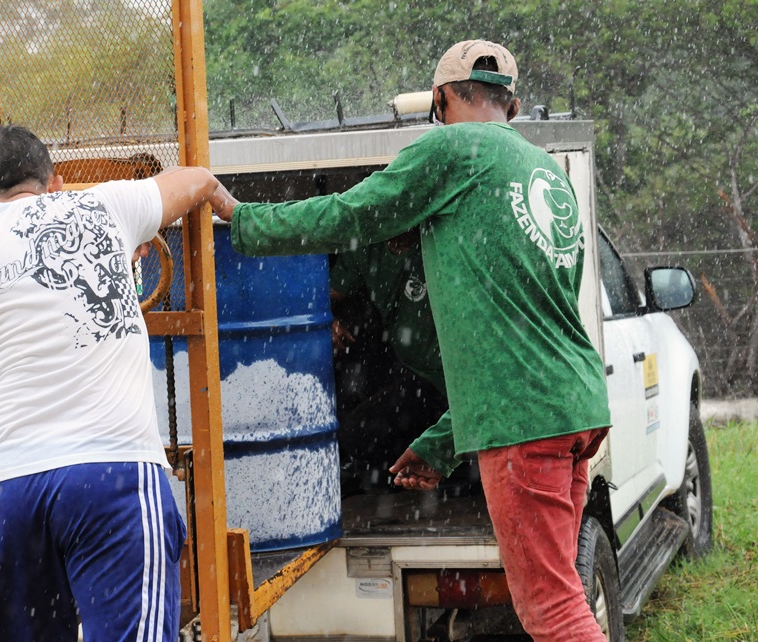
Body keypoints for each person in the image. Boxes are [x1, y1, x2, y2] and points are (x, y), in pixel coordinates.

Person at [212, 40, 611, 642]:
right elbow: (523, 336)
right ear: (514, 103)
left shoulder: (450, 148)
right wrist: (442, 445)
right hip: (574, 406)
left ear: (443, 99)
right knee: (563, 597)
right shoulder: (544, 174)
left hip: (525, 425)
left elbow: (347, 217)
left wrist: (239, 217)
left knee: (552, 611)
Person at [0, 124, 233, 641]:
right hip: (113, 477)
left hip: (13, 490)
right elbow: (196, 180)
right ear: (57, 183)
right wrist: (226, 205)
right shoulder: (106, 208)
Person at [328, 238, 450, 494]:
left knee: (360, 433)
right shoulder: (366, 242)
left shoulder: (440, 237)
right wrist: (327, 319)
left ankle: (448, 480)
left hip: (447, 375)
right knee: (353, 429)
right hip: (401, 362)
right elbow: (328, 295)